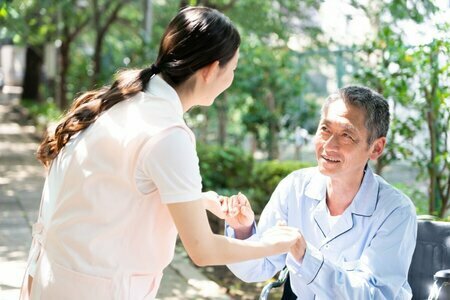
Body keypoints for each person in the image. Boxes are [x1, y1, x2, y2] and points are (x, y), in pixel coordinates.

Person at [20, 6, 301, 300]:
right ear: (209, 70)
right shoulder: (168, 134)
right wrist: (274, 243)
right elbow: (203, 249)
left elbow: (108, 188)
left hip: (54, 278)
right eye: (232, 69)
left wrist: (196, 202)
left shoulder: (120, 103)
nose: (231, 78)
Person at [221, 86, 418, 299]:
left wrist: (306, 256)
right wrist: (242, 231)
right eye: (325, 129)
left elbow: (376, 295)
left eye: (346, 135)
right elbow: (259, 267)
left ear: (376, 148)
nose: (329, 146)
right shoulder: (294, 188)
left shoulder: (396, 211)